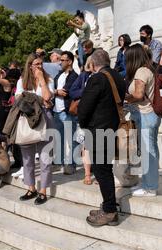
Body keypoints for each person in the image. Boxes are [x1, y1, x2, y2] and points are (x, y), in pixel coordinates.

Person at [78, 49, 126, 226]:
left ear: (93, 63)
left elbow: (84, 107)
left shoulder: (97, 78)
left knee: (101, 171)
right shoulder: (117, 76)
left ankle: (110, 211)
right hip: (110, 127)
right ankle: (108, 206)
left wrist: (83, 124)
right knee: (104, 169)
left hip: (98, 129)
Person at [15, 53, 55, 205]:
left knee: (45, 157)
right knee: (27, 158)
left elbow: (47, 97)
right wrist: (39, 101)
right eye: (36, 64)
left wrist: (42, 81)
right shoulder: (22, 81)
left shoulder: (48, 79)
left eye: (41, 64)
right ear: (30, 66)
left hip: (45, 118)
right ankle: (31, 188)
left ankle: (43, 191)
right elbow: (19, 100)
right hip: (27, 120)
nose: (39, 67)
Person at [124, 44, 159, 197]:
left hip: (145, 115)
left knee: (148, 151)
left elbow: (138, 95)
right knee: (150, 150)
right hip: (149, 115)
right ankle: (146, 183)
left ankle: (150, 187)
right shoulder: (147, 70)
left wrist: (125, 99)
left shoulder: (141, 71)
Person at [70, 56, 95, 185]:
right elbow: (72, 92)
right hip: (85, 115)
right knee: (86, 146)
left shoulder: (103, 75)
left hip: (99, 115)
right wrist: (85, 91)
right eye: (90, 62)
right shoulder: (84, 76)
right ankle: (87, 174)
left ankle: (99, 172)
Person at [53, 51, 79, 174]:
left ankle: (71, 165)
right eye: (60, 59)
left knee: (71, 139)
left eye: (63, 60)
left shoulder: (74, 76)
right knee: (58, 138)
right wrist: (56, 92)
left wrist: (55, 91)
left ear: (70, 61)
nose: (60, 62)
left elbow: (66, 92)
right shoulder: (59, 75)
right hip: (56, 111)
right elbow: (54, 90)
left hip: (67, 111)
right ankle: (59, 162)